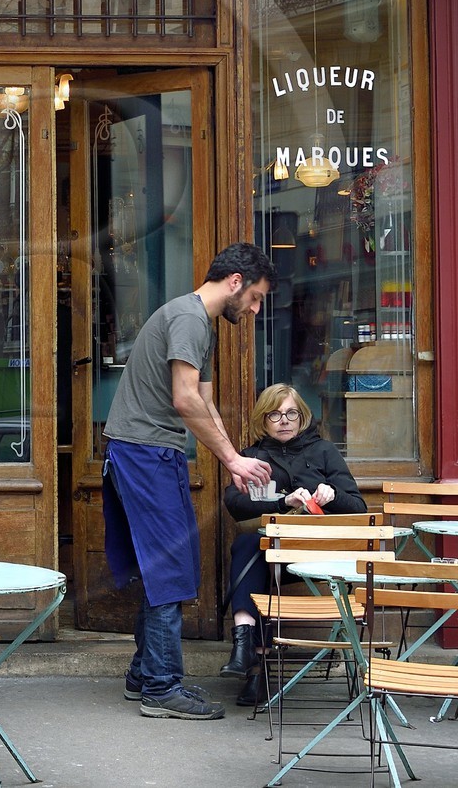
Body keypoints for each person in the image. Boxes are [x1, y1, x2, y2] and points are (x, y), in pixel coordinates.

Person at [102, 241, 275, 721]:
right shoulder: (189, 318)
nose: (256, 309)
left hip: (151, 451)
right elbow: (184, 400)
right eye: (257, 297)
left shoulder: (200, 324)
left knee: (167, 564)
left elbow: (204, 403)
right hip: (144, 452)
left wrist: (233, 459)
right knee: (170, 568)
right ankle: (160, 687)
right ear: (236, 282)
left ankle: (145, 676)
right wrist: (233, 461)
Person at [220, 384, 366, 706]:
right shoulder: (252, 456)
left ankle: (253, 665)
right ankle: (248, 654)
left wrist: (332, 495)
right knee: (250, 547)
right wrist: (282, 500)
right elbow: (234, 504)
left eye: (291, 413)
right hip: (273, 557)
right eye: (275, 414)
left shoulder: (324, 451)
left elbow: (359, 507)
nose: (284, 420)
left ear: (302, 417)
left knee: (254, 555)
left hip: (317, 556)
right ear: (264, 419)